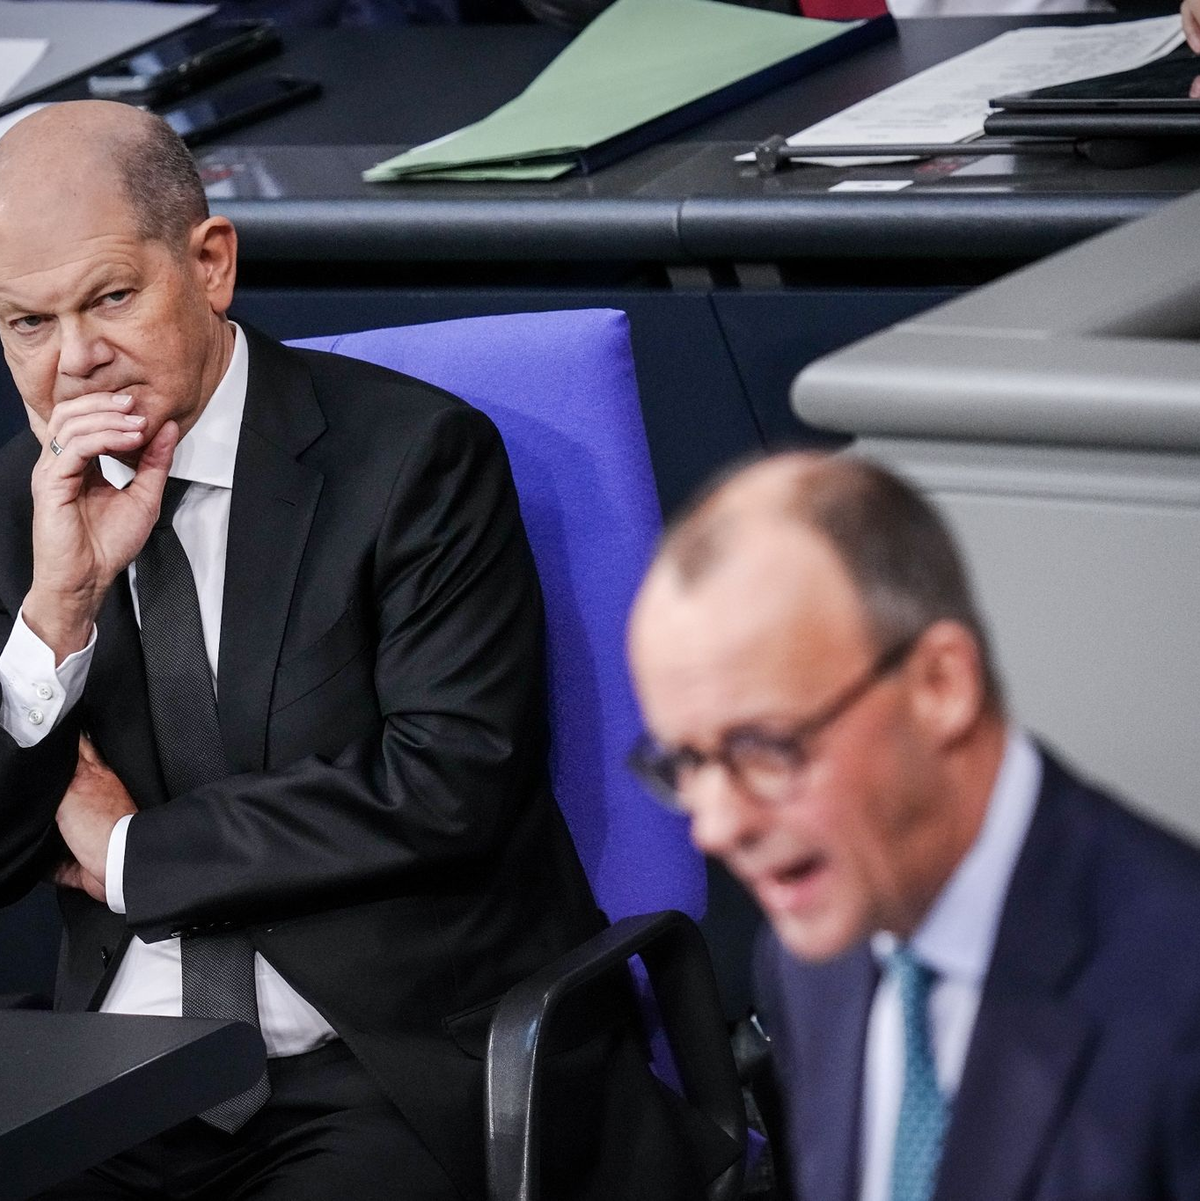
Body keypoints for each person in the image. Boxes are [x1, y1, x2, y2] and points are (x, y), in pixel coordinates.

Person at [0, 100, 709, 1200]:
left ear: (212, 263)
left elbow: (443, 780)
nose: (77, 363)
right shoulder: (22, 503)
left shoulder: (414, 461)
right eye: (27, 324)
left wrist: (131, 851)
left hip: (388, 1065)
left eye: (111, 298)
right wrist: (59, 611)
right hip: (119, 1076)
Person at [627, 451, 1200, 1201]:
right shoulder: (807, 960)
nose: (715, 826)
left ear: (941, 684)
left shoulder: (1179, 998)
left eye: (763, 748)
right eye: (688, 761)